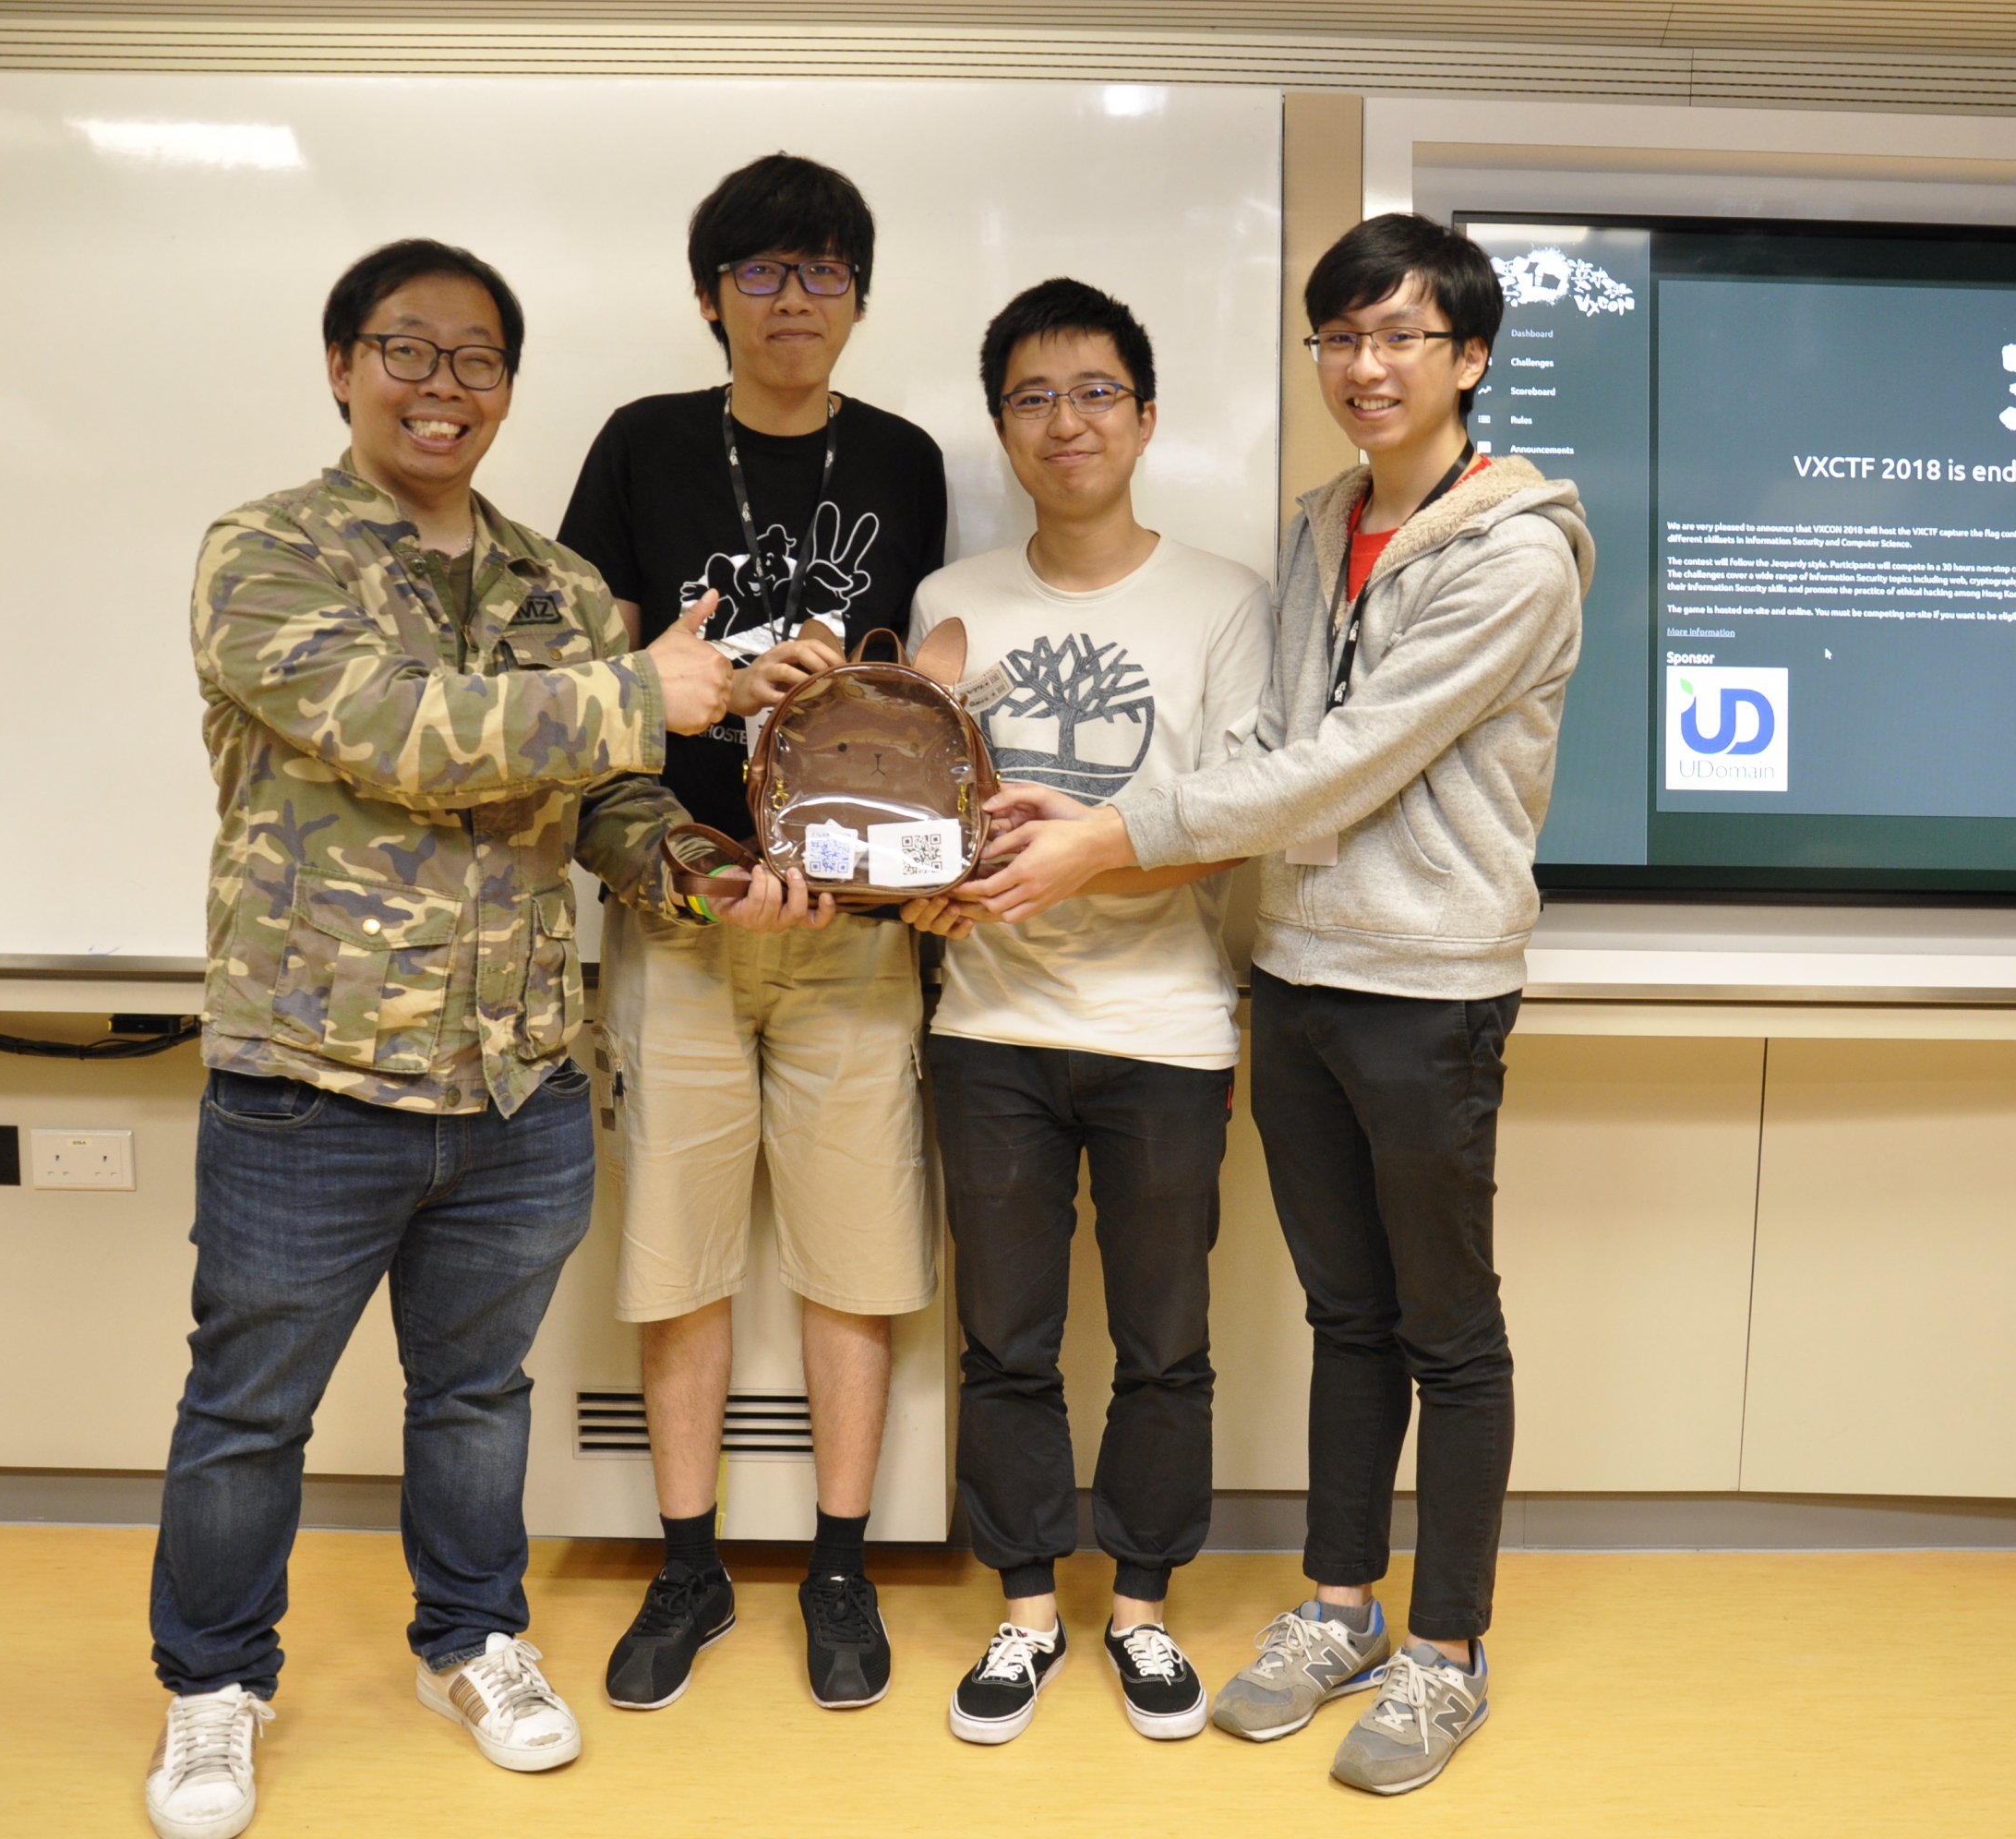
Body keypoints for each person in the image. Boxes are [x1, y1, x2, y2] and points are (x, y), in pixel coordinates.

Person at [964, 213, 1591, 1795]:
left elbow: (1342, 759)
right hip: (1298, 978)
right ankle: (1340, 1609)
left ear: (1470, 358)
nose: (1368, 367)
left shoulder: (1513, 551)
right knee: (1344, 1314)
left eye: (1402, 338)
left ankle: (1447, 1651)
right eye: (1342, 339)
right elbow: (1263, 766)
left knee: (1450, 1329)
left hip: (1427, 987)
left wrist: (1111, 836)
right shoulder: (1324, 526)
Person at [148, 238, 734, 1839]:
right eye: (408, 351)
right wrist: (645, 688)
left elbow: (603, 798)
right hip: (310, 1082)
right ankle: (215, 1685)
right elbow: (402, 733)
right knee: (251, 1406)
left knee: (477, 1398)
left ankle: (469, 1641)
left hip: (521, 1084)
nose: (443, 386)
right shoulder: (267, 554)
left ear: (506, 391)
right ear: (341, 366)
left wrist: (707, 875)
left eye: (478, 361)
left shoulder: (553, 585)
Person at [558, 152, 948, 1716]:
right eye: (765, 273)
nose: (797, 300)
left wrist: (839, 687)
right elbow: (581, 678)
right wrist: (702, 677)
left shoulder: (910, 458)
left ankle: (842, 1566)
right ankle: (689, 1564)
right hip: (687, 909)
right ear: (712, 294)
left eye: (825, 270)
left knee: (857, 1259)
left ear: (859, 293)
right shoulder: (644, 446)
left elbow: (925, 699)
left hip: (857, 923)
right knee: (679, 1258)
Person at [897, 280, 1271, 1747]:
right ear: (1003, 427)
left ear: (1148, 416)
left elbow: (1244, 819)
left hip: (1169, 1029)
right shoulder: (953, 601)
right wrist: (920, 891)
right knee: (1008, 1342)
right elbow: (923, 817)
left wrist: (1097, 837)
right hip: (990, 1030)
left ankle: (1145, 1614)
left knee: (1167, 1343)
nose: (1069, 421)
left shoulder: (1227, 599)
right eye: (1036, 397)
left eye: (1097, 391)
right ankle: (1027, 1614)